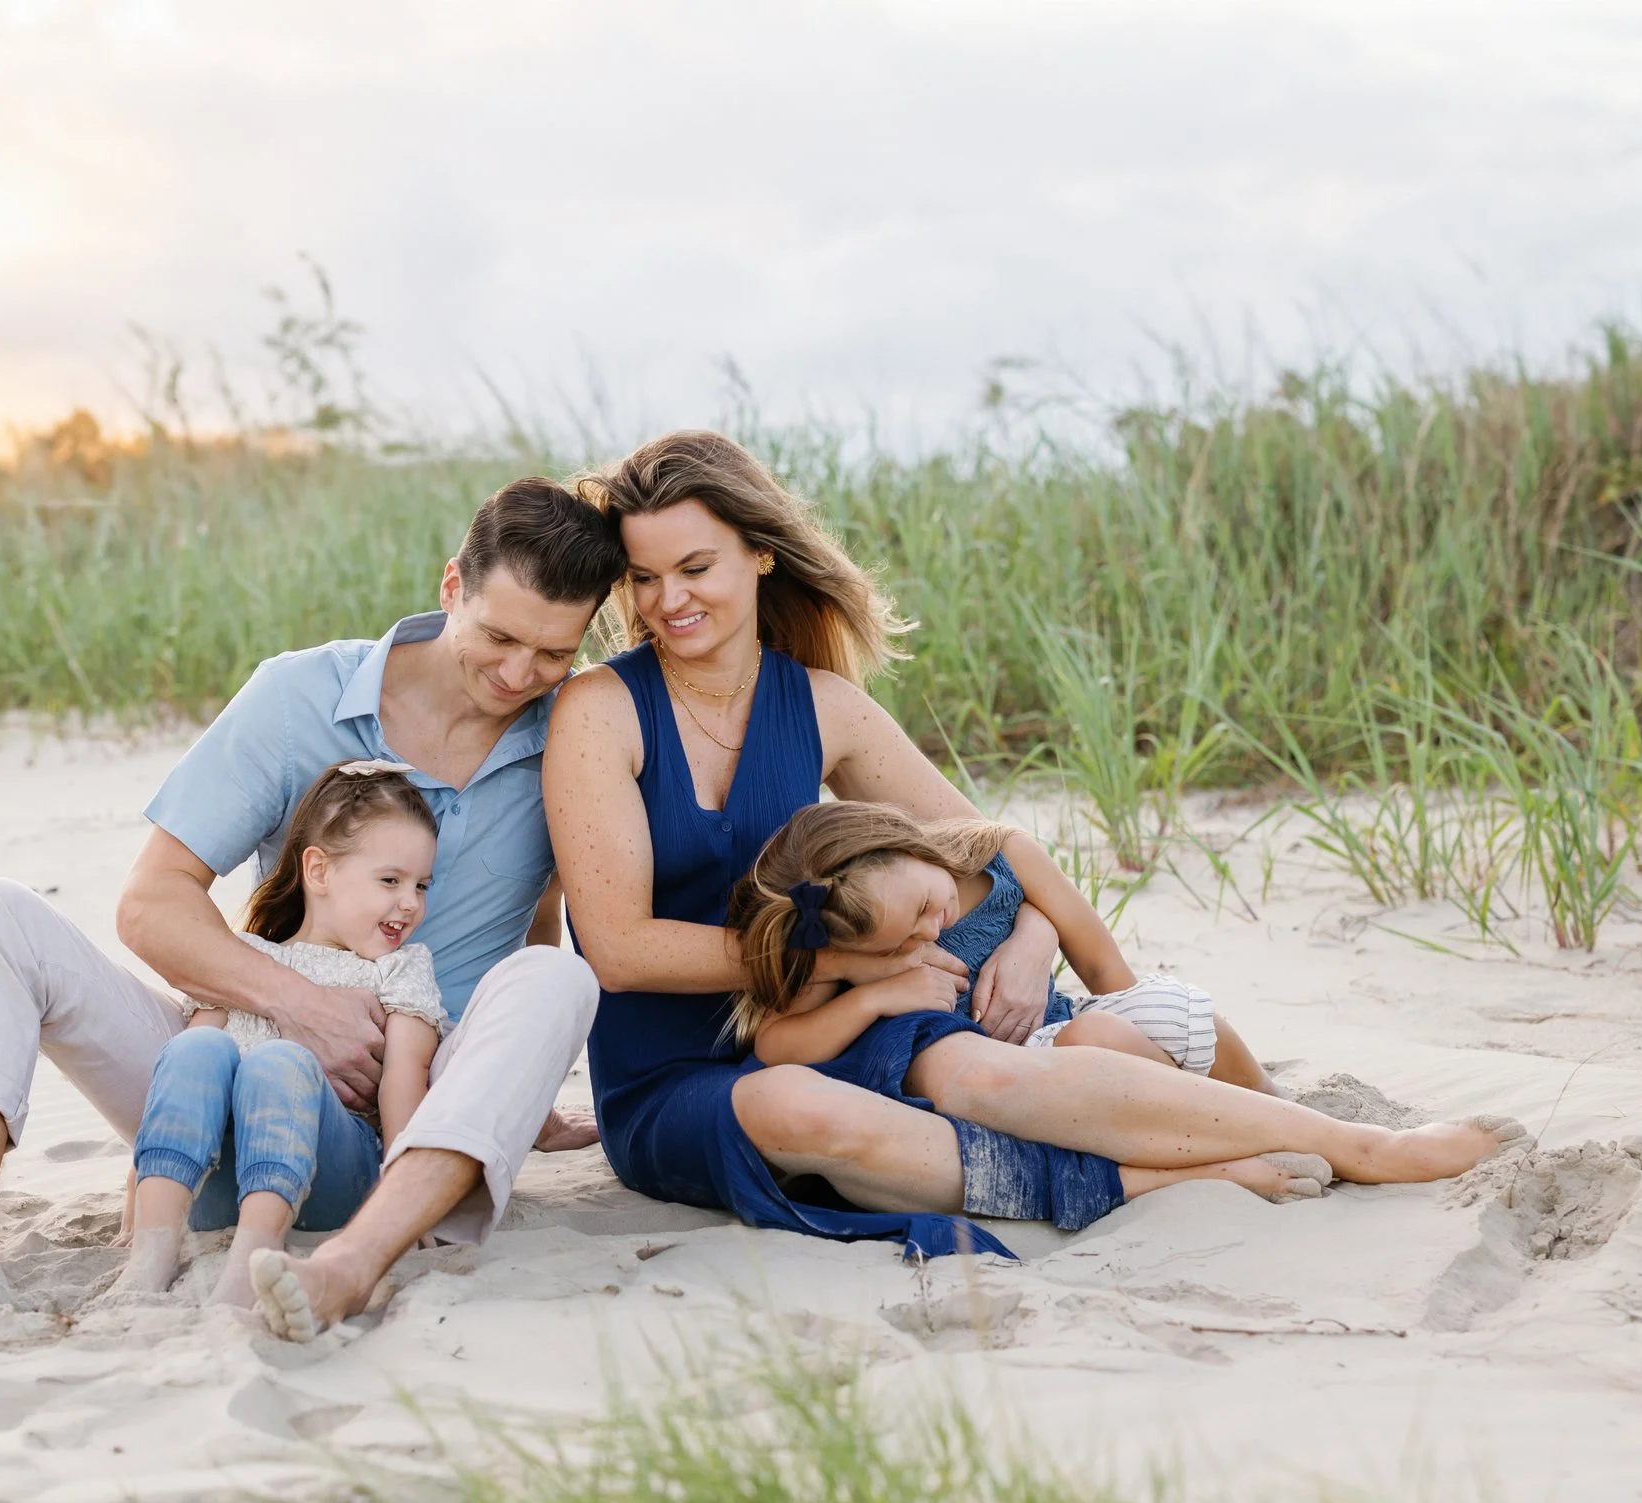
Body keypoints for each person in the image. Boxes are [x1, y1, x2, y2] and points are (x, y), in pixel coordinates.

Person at [544, 429, 1527, 1259]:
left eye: (694, 567)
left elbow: (982, 847)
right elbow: (620, 949)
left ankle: (1357, 1145)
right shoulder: (603, 708)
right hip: (684, 1076)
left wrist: (1027, 939)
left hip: (859, 1013)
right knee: (803, 1112)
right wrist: (848, 957)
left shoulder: (824, 707)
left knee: (981, 1074)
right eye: (642, 578)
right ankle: (1135, 1176)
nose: (667, 599)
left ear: (759, 554)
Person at [0, 477, 623, 1330]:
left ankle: (365, 1251)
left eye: (553, 653)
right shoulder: (297, 700)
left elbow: (535, 923)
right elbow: (151, 902)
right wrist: (302, 1005)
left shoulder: (568, 735)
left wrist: (512, 1088)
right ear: (450, 588)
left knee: (555, 978)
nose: (519, 674)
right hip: (224, 1069)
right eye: (499, 635)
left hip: (404, 1122)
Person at [728, 799, 1330, 1217]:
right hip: (1012, 1086)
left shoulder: (1003, 855)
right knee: (1096, 1036)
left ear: (902, 840)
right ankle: (1226, 1140)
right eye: (900, 944)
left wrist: (1033, 934)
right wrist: (873, 994)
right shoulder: (837, 930)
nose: (928, 933)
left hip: (1069, 1021)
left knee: (1168, 1010)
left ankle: (1271, 1109)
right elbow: (777, 1045)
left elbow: (1109, 974)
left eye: (924, 907)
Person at [119, 761, 448, 1309]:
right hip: (217, 1184)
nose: (410, 903)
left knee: (279, 1062)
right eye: (390, 881)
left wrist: (405, 1203)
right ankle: (151, 1248)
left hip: (328, 1181)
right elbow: (175, 1085)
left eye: (421, 885)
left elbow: (404, 1083)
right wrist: (134, 1195)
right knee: (196, 1045)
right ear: (319, 872)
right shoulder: (245, 962)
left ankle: (255, 1254)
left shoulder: (398, 971)